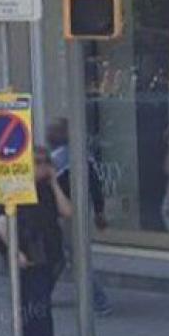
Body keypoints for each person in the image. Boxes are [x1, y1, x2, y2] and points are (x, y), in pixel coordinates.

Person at [0, 147, 71, 336]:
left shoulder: (50, 186)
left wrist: (55, 183)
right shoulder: (15, 187)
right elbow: (2, 221)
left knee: (35, 301)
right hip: (28, 253)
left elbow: (67, 212)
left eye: (45, 161)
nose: (42, 166)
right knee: (38, 302)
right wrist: (15, 252)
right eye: (37, 162)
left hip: (51, 252)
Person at [47, 117, 112, 315]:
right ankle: (42, 294)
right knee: (60, 256)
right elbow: (95, 186)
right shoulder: (83, 156)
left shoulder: (57, 161)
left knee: (75, 258)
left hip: (65, 215)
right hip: (79, 212)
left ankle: (99, 301)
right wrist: (99, 212)